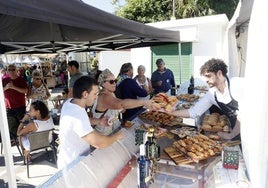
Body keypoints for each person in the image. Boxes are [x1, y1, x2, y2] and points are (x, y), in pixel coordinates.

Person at [57, 75, 125, 169]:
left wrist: (99, 121)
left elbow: (83, 122)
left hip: (70, 160)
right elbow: (99, 143)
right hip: (73, 166)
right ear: (85, 94)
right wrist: (117, 136)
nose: (96, 97)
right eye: (95, 94)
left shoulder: (71, 102)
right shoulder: (77, 115)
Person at [171, 58, 240, 140]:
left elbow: (244, 115)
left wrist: (231, 135)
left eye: (208, 76)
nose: (206, 80)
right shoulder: (212, 93)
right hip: (235, 130)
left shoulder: (236, 84)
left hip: (252, 131)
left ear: (219, 73)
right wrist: (171, 112)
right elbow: (194, 112)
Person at [92, 69, 155, 135]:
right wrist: (144, 102)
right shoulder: (104, 96)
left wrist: (119, 109)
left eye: (115, 81)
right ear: (103, 83)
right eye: (111, 82)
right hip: (104, 136)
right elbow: (121, 104)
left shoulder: (111, 93)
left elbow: (120, 108)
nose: (114, 83)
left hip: (113, 131)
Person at [2, 64, 28, 137]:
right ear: (7, 71)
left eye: (13, 69)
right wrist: (6, 87)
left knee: (22, 125)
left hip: (20, 107)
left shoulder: (21, 80)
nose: (11, 71)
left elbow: (26, 91)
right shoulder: (4, 80)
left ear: (17, 70)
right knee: (11, 126)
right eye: (9, 69)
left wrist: (13, 87)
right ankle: (15, 139)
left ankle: (22, 139)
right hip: (8, 108)